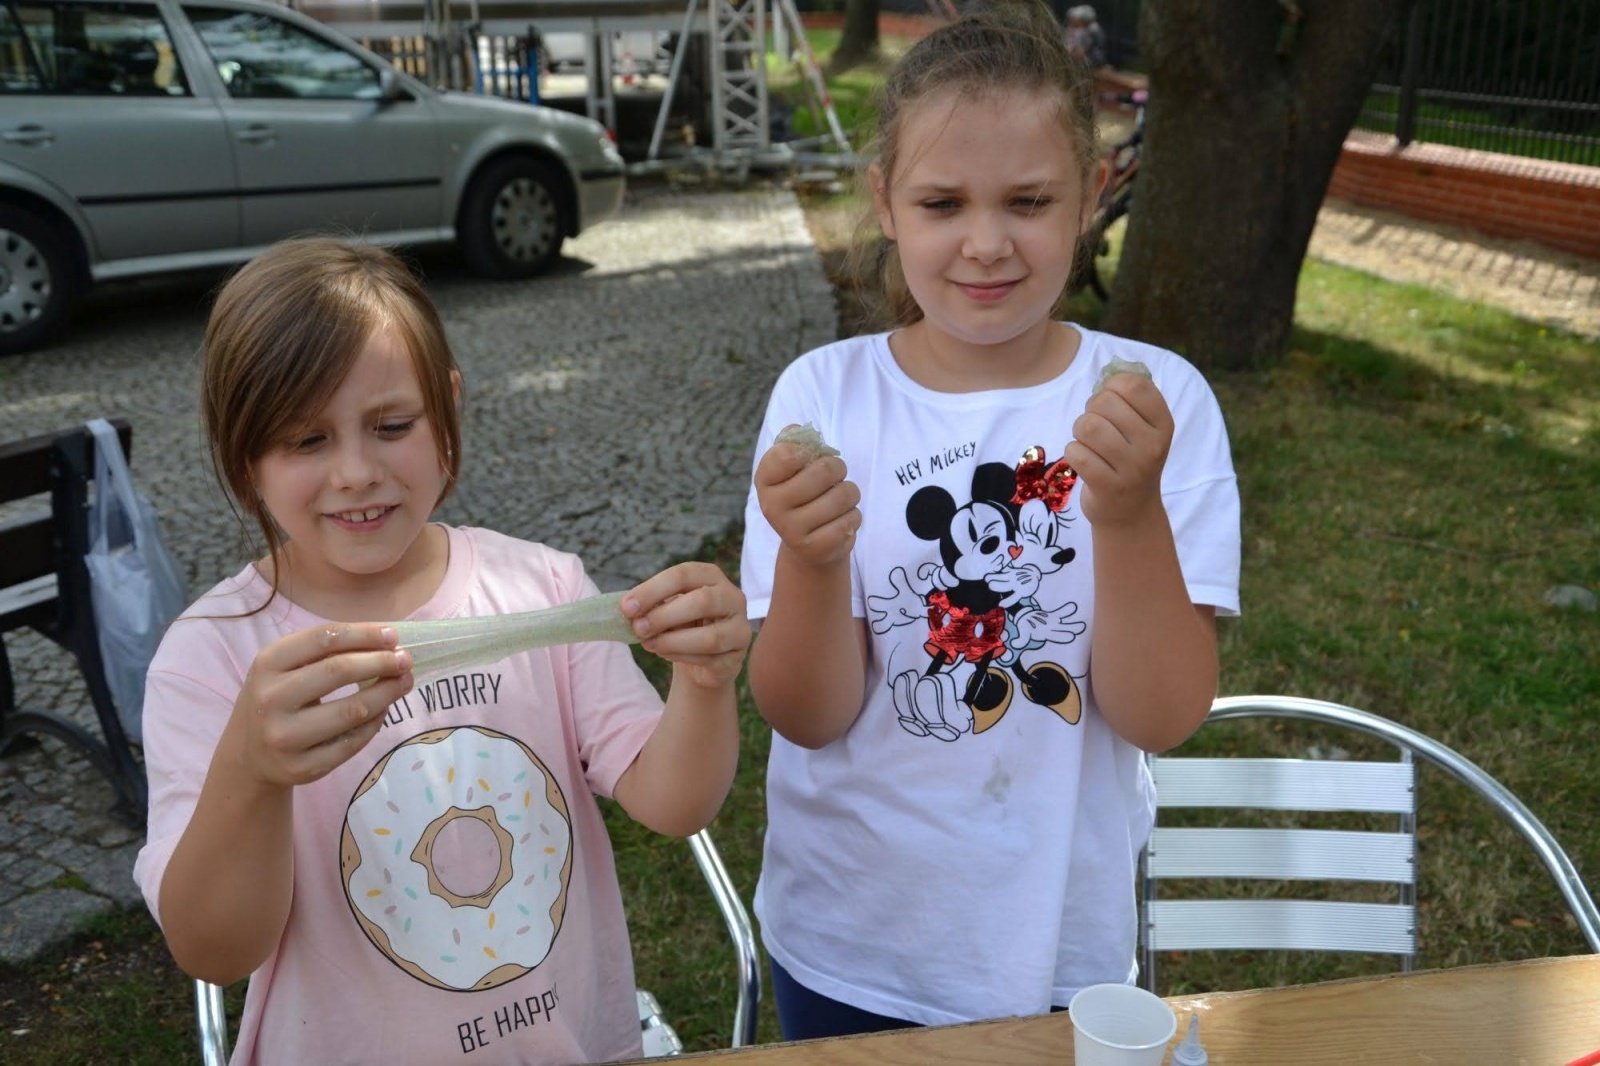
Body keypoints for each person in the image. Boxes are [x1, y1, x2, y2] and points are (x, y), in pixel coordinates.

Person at [740, 0, 1239, 1040]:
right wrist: (812, 560)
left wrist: (1132, 515)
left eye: (1025, 199)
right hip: (848, 935)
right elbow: (803, 711)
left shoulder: (1157, 399)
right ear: (885, 202)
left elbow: (1162, 715)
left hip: (1059, 939)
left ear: (1091, 194)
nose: (983, 242)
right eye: (940, 202)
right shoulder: (822, 396)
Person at [132, 237, 749, 1065]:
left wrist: (703, 681)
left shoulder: (542, 587)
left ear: (446, 410)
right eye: (304, 441)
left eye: (391, 426)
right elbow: (214, 951)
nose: (356, 471)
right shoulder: (211, 659)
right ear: (244, 457)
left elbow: (674, 804)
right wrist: (249, 772)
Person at [1064, 4, 1107, 68]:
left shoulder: (1093, 31)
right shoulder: (1086, 29)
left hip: (1093, 59)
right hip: (1089, 57)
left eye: (1078, 18)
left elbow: (1085, 50)